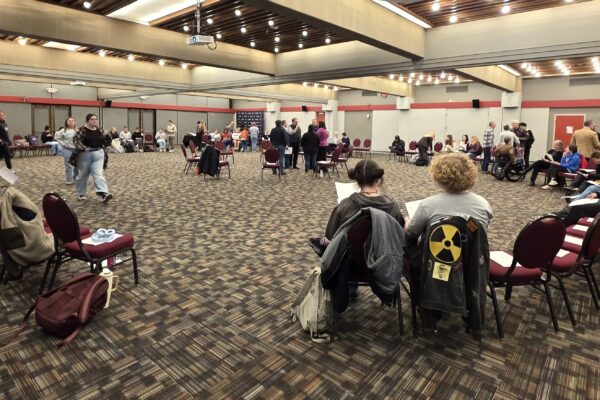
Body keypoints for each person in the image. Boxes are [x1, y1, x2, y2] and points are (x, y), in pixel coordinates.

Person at [405, 153, 493, 331]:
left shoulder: (428, 205)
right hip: (472, 264)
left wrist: (407, 221)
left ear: (438, 176)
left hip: (435, 263)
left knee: (410, 252)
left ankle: (424, 302)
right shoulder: (483, 204)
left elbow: (411, 233)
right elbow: (480, 236)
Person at [310, 159, 405, 254]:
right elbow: (400, 235)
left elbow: (330, 237)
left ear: (357, 180)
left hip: (351, 263)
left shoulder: (345, 205)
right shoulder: (392, 206)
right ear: (378, 180)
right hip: (384, 261)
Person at [73, 113, 112, 202]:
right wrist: (85, 148)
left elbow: (107, 142)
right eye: (92, 119)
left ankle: (103, 193)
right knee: (83, 174)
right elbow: (76, 141)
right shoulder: (82, 130)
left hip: (99, 154)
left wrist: (108, 135)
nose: (95, 121)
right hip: (85, 154)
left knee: (98, 174)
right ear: (87, 121)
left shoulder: (100, 130)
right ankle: (81, 193)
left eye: (96, 119)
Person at [55, 117, 79, 184]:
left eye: (72, 121)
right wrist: (63, 144)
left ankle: (75, 177)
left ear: (74, 122)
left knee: (77, 164)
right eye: (69, 121)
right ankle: (69, 179)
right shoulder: (63, 130)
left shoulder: (78, 130)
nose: (71, 122)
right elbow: (57, 138)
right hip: (66, 149)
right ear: (66, 122)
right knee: (68, 164)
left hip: (76, 149)